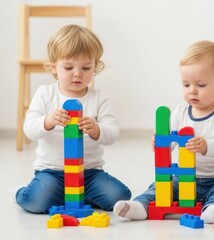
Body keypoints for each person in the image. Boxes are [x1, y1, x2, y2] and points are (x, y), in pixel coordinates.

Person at [113, 40, 214, 223]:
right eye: (186, 85)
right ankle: (140, 205)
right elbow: (171, 140)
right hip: (183, 177)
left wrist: (206, 145)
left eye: (201, 85)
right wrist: (159, 142)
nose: (192, 91)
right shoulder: (181, 112)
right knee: (160, 187)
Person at [15, 25, 131, 213]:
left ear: (96, 67)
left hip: (90, 174)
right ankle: (22, 192)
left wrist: (96, 129)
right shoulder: (45, 94)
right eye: (68, 67)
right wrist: (48, 120)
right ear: (54, 67)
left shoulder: (99, 98)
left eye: (86, 67)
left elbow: (112, 134)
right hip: (52, 173)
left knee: (119, 196)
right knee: (35, 202)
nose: (77, 73)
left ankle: (75, 195)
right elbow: (29, 129)